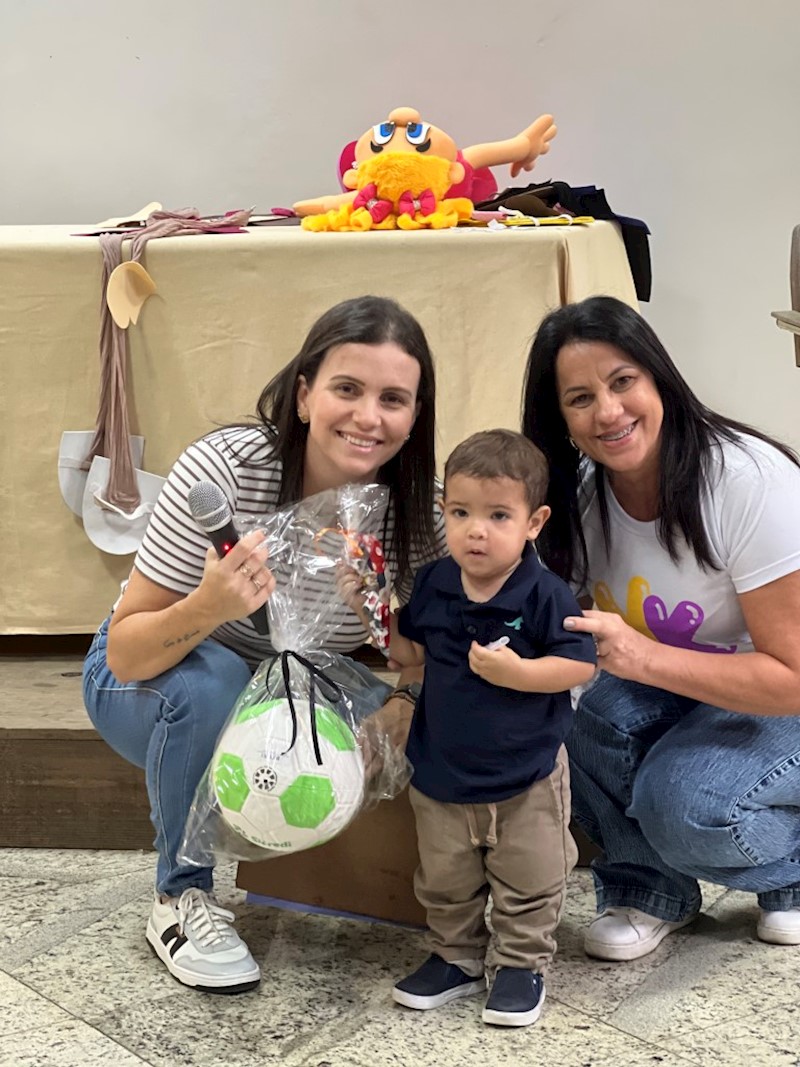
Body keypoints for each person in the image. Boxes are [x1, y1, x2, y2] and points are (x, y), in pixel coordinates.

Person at [82, 295, 447, 993]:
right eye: (347, 389)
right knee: (215, 683)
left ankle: (442, 894)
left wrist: (405, 699)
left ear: (415, 416)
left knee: (437, 716)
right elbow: (127, 654)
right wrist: (210, 604)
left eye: (393, 399)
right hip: (154, 675)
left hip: (300, 680)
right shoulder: (225, 471)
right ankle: (179, 898)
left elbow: (435, 655)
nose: (368, 417)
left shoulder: (421, 511)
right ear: (305, 395)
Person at [521, 294, 800, 962]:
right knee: (559, 718)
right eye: (580, 398)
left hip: (780, 696)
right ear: (560, 418)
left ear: (659, 379)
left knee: (685, 804)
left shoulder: (746, 481)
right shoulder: (575, 496)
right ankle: (649, 887)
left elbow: (793, 678)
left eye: (623, 381)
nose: (608, 411)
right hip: (689, 691)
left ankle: (790, 867)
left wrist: (641, 658)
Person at [340, 429, 596, 1026]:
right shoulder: (434, 583)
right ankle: (455, 956)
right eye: (460, 513)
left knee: (530, 877)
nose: (476, 530)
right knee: (445, 878)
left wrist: (519, 672)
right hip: (442, 772)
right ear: (444, 512)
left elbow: (578, 665)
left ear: (534, 523)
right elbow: (409, 653)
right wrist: (368, 610)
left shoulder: (545, 594)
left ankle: (520, 964)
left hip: (527, 776)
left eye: (498, 515)